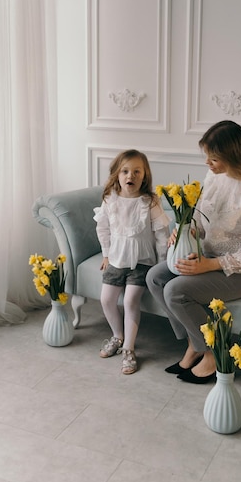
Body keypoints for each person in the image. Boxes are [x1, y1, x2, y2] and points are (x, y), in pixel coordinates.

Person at [146, 120, 241, 383]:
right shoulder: (216, 176)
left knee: (176, 290)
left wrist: (208, 265)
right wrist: (185, 231)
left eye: (214, 157)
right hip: (207, 257)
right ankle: (197, 344)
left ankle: (215, 353)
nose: (208, 162)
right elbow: (201, 222)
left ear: (232, 156)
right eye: (207, 156)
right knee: (156, 277)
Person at [94, 149, 170, 375]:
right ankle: (118, 336)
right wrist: (106, 254)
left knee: (130, 301)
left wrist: (161, 263)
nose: (131, 176)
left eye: (137, 171)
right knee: (106, 299)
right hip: (116, 260)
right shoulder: (110, 200)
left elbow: (162, 233)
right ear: (117, 175)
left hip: (142, 262)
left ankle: (129, 348)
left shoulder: (150, 201)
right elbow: (103, 228)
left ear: (145, 176)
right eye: (125, 171)